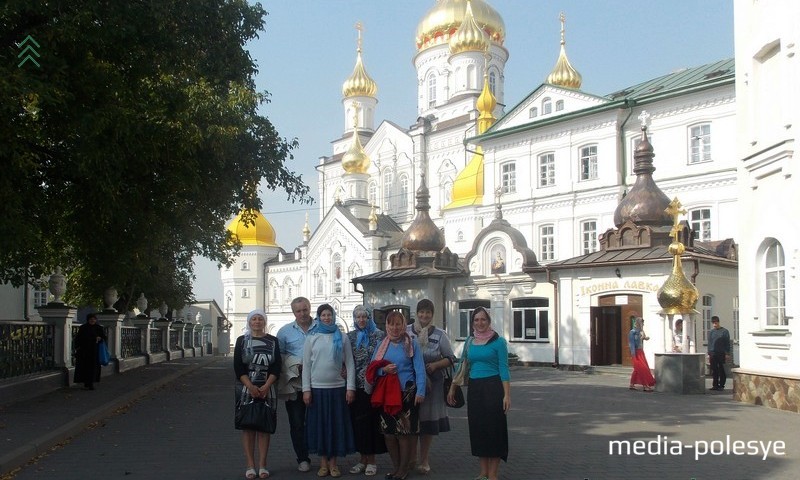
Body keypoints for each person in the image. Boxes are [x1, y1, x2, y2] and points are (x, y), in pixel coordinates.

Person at [447, 306, 510, 480]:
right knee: (479, 429)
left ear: (489, 321)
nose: (480, 323)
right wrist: (453, 386)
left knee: (494, 430)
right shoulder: (470, 341)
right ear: (472, 322)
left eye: (483, 319)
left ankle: (493, 474)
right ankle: (483, 473)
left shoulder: (499, 342)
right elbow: (462, 365)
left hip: (493, 387)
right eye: (476, 320)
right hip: (475, 388)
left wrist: (507, 395)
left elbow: (504, 369)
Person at [368, 311, 426, 480]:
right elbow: (372, 370)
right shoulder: (381, 345)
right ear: (386, 326)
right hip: (387, 395)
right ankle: (395, 468)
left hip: (407, 394)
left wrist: (421, 391)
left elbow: (420, 369)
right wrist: (383, 370)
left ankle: (403, 470)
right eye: (391, 324)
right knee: (389, 434)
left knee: (403, 433)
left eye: (398, 324)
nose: (394, 328)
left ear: (403, 325)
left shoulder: (411, 344)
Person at [302, 304, 356, 478]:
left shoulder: (342, 336)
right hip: (317, 390)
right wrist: (306, 390)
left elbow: (349, 363)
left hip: (337, 389)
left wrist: (350, 387)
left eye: (329, 315)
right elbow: (306, 366)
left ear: (333, 316)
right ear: (318, 317)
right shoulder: (312, 337)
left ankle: (334, 464)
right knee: (321, 427)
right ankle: (323, 463)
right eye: (323, 315)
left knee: (335, 426)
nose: (327, 318)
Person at [406, 299, 455, 475]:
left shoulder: (440, 334)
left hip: (433, 385)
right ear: (416, 313)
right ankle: (410, 458)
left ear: (432, 315)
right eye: (421, 312)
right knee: (411, 423)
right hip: (410, 385)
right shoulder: (407, 331)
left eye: (428, 312)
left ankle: (424, 460)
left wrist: (435, 366)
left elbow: (450, 358)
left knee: (426, 424)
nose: (424, 315)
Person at [234, 309, 281, 479]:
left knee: (263, 426)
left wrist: (267, 386)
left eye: (260, 319)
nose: (257, 322)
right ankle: (250, 465)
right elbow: (238, 367)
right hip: (246, 390)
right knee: (247, 426)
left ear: (264, 322)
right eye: (253, 319)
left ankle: (262, 465)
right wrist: (251, 387)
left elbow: (277, 367)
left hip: (267, 389)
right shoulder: (241, 341)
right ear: (249, 322)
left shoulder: (273, 341)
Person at [277, 296, 317, 472]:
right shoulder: (285, 332)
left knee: (319, 421)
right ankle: (303, 458)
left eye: (305, 309)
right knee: (297, 422)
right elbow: (278, 357)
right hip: (295, 384)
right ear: (293, 312)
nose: (303, 313)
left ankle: (325, 456)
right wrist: (294, 363)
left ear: (310, 308)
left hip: (318, 382)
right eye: (298, 311)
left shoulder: (321, 328)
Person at [346, 305, 387, 476]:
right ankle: (362, 459)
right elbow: (346, 360)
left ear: (369, 317)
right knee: (358, 423)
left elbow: (383, 359)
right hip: (355, 386)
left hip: (374, 386)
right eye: (358, 317)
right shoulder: (350, 337)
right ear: (354, 319)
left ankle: (372, 460)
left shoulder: (379, 335)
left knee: (372, 422)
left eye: (364, 316)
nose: (361, 320)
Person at [73, 312, 107, 390]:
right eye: (91, 319)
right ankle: (86, 382)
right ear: (88, 320)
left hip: (94, 351)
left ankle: (91, 383)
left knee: (93, 368)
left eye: (94, 319)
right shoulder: (83, 327)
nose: (92, 321)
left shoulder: (98, 328)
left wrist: (100, 338)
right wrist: (77, 348)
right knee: (84, 367)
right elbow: (78, 338)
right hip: (84, 351)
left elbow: (104, 337)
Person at [628, 316, 655, 392]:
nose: (642, 324)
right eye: (641, 323)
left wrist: (645, 336)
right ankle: (645, 385)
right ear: (637, 323)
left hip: (640, 351)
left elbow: (644, 337)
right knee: (642, 368)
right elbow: (632, 344)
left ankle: (632, 384)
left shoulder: (640, 331)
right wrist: (633, 355)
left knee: (637, 369)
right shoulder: (632, 332)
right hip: (636, 352)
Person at [707, 316, 731, 391]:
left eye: (716, 323)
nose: (714, 324)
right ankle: (715, 385)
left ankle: (721, 385)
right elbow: (710, 342)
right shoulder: (712, 332)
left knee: (721, 369)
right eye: (713, 323)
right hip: (713, 353)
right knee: (714, 370)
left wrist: (727, 353)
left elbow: (727, 343)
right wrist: (709, 353)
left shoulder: (724, 331)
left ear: (718, 322)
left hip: (721, 353)